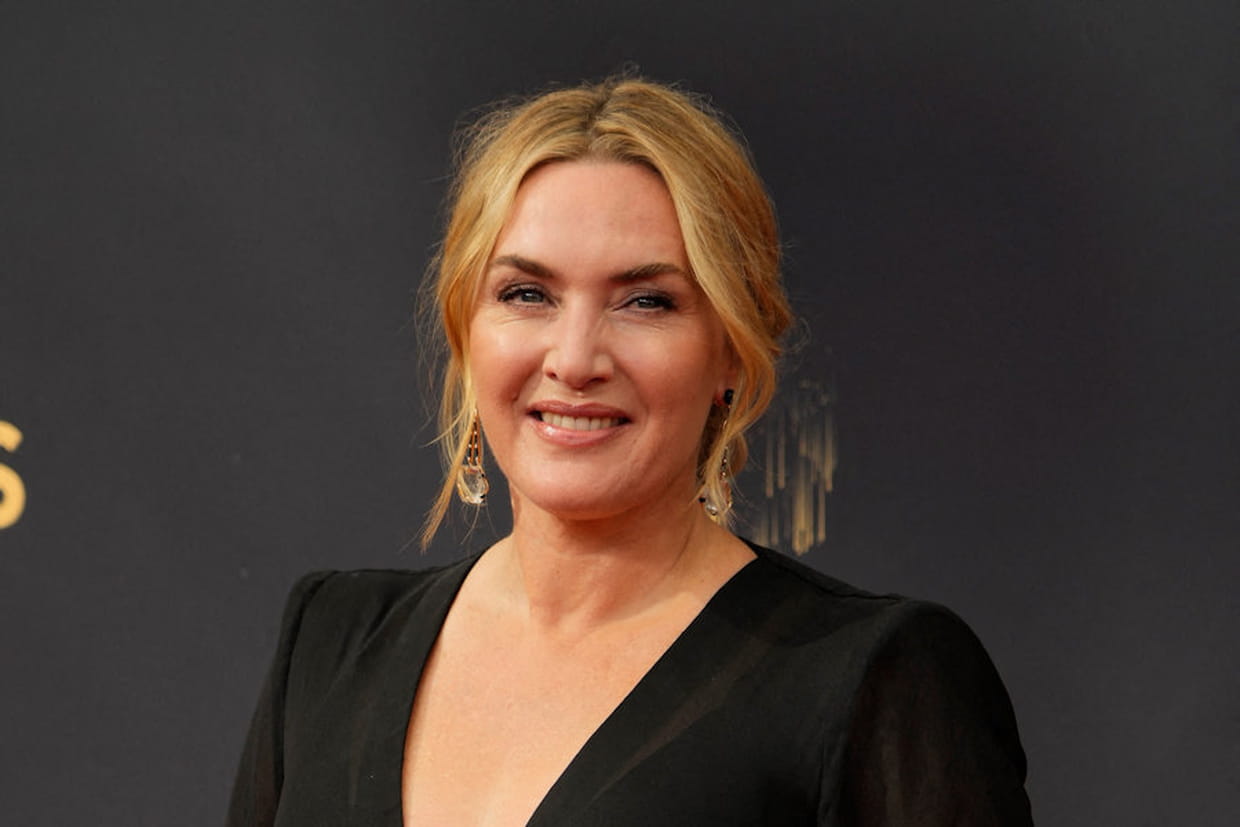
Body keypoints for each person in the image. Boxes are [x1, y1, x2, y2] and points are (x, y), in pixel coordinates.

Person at [228, 76, 1033, 825]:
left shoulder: (875, 679)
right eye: (526, 294)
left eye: (646, 301)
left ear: (731, 352)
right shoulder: (330, 644)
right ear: (466, 334)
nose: (576, 358)